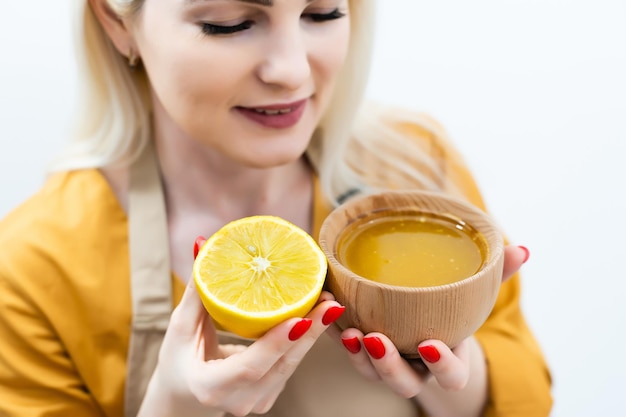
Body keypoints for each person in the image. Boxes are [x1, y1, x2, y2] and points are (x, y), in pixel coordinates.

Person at [0, 0, 553, 416]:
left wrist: (450, 370)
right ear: (119, 23)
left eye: (321, 11)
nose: (290, 70)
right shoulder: (31, 267)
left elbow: (529, 397)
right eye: (230, 23)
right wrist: (174, 404)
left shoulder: (416, 169)